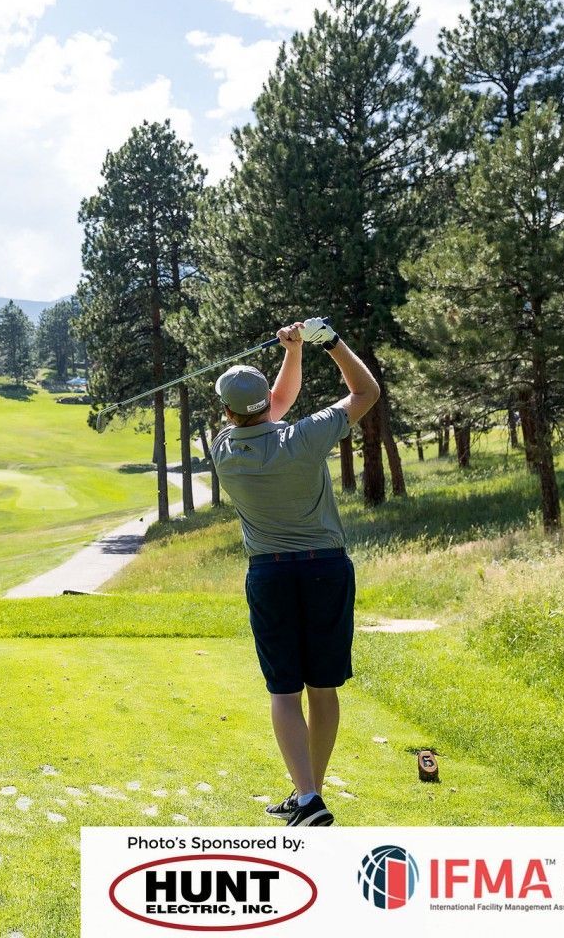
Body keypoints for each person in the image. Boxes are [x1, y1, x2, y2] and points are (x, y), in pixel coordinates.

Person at [210, 317, 379, 827]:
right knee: (321, 688)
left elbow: (271, 407)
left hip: (270, 575)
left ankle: (308, 796)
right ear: (263, 402)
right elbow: (367, 391)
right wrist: (325, 343)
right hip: (327, 569)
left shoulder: (224, 449)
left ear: (226, 410)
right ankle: (309, 796)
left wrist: (294, 351)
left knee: (284, 691)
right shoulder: (305, 438)